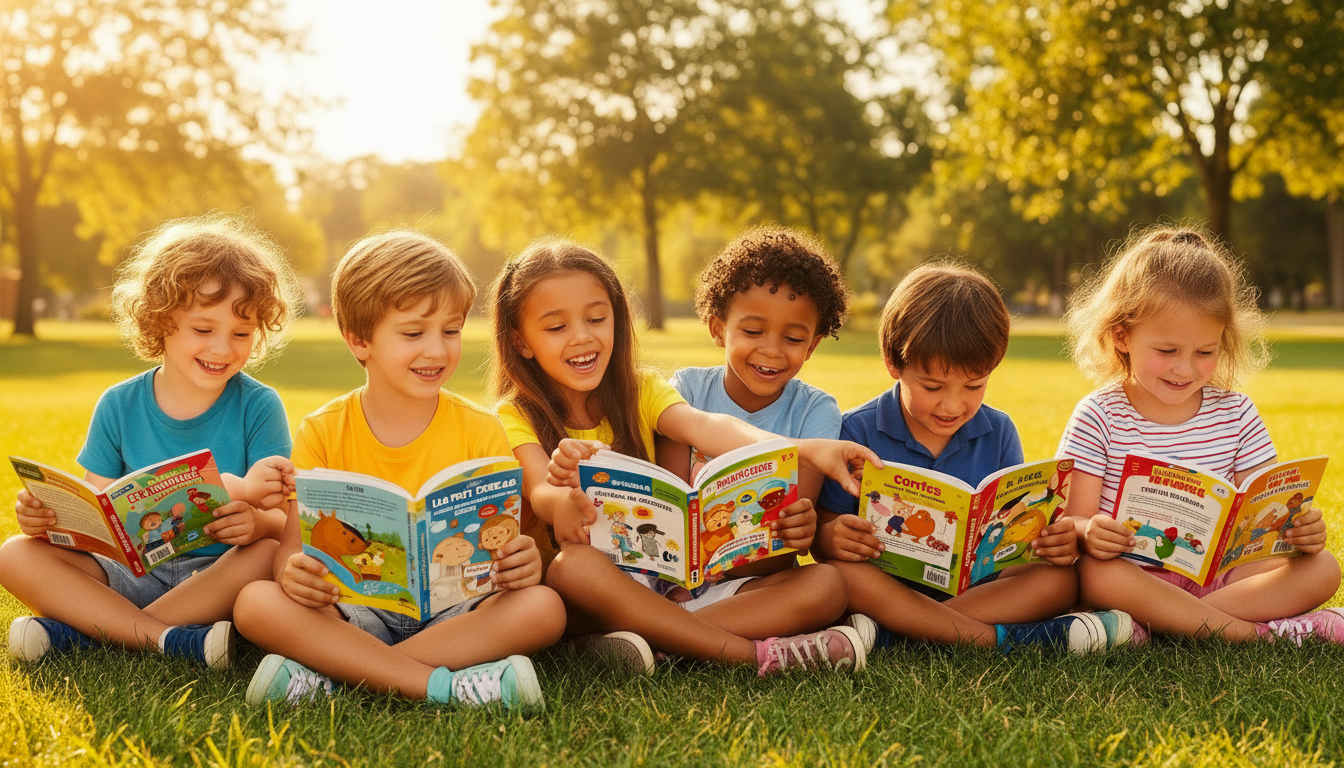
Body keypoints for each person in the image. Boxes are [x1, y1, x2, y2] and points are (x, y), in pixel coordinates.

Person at [488, 236, 877, 678]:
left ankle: (647, 645)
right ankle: (759, 656)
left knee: (826, 586)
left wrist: (804, 450)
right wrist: (567, 497)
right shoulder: (513, 412)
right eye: (557, 327)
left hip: (676, 588)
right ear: (521, 342)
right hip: (596, 593)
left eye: (597, 318)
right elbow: (540, 491)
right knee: (571, 568)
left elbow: (710, 428)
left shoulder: (644, 391)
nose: (582, 336)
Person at [233, 230, 565, 710]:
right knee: (256, 603)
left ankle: (341, 676)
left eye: (450, 331)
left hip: (459, 613)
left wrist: (523, 562)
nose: (437, 350)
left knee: (544, 608)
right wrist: (294, 575)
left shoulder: (482, 429)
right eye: (413, 333)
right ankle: (446, 688)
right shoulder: (322, 431)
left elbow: (506, 540)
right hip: (355, 610)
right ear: (359, 340)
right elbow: (290, 552)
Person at [1, 213, 302, 668]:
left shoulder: (259, 405)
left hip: (220, 575)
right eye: (204, 330)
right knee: (14, 555)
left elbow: (287, 529)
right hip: (133, 573)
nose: (223, 348)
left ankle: (95, 634)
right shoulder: (119, 404)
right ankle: (170, 638)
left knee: (264, 554)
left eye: (241, 333)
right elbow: (97, 518)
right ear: (160, 321)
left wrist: (258, 523)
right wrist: (48, 519)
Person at [814, 262, 1132, 654]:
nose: (953, 404)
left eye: (974, 385)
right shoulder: (855, 432)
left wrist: (1052, 543)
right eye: (933, 386)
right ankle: (998, 640)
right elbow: (823, 533)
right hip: (887, 587)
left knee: (1061, 579)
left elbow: (1016, 537)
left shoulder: (999, 431)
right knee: (841, 576)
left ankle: (902, 635)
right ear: (893, 364)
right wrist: (833, 535)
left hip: (973, 590)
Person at [1060, 227, 1343, 643]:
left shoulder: (1236, 412)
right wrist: (1091, 531)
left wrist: (1299, 530)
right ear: (1122, 336)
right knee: (1096, 574)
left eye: (1205, 353)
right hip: (1132, 579)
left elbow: (1267, 509)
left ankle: (1165, 627)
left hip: (1219, 579)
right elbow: (1073, 519)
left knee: (1323, 567)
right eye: (1167, 351)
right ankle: (1262, 635)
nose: (1185, 369)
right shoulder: (1099, 415)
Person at [654, 226, 853, 603]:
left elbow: (784, 543)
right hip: (672, 577)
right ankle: (694, 627)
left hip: (753, 583)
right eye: (752, 330)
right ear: (718, 328)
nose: (772, 350)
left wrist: (801, 530)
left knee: (827, 584)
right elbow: (672, 505)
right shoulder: (686, 391)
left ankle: (676, 630)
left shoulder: (816, 411)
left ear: (812, 346)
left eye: (793, 339)